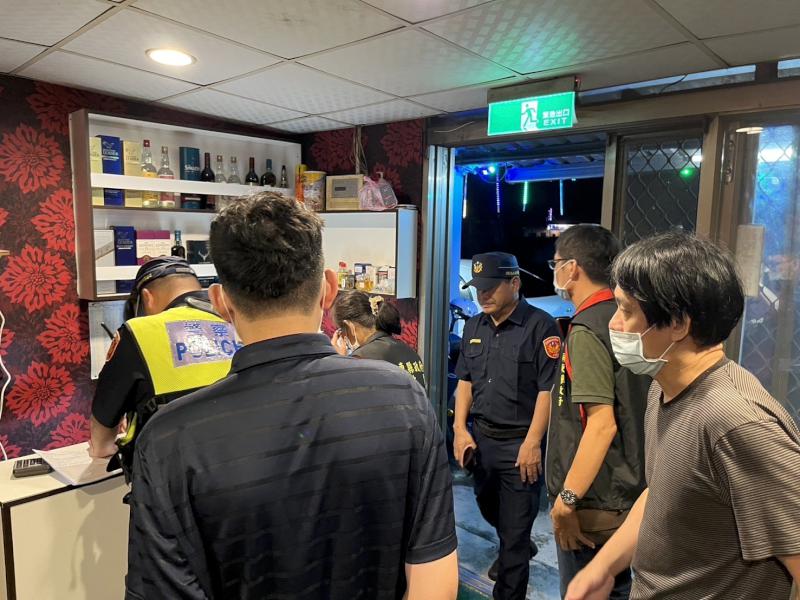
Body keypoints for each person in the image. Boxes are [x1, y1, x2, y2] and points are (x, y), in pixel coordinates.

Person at [124, 193, 458, 600]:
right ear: (329, 289)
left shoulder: (168, 440)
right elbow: (435, 579)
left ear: (220, 303)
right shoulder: (403, 397)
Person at [566, 231, 800, 600]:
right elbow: (659, 496)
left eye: (626, 311)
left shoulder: (736, 422)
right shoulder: (664, 387)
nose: (613, 324)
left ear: (678, 323)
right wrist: (602, 567)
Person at [545, 225, 650, 599]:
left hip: (596, 501)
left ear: (572, 268)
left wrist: (566, 500)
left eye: (556, 263)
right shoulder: (626, 320)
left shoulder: (588, 328)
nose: (555, 270)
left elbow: (601, 424)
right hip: (628, 490)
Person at [453, 251, 561, 600]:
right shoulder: (474, 326)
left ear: (514, 284)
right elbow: (465, 382)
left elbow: (547, 390)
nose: (482, 295)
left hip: (520, 446)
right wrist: (459, 430)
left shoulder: (541, 327)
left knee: (514, 536)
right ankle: (516, 541)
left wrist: (533, 443)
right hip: (482, 441)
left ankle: (513, 561)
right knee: (488, 506)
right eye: (478, 288)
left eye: (490, 287)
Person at [88, 256, 237, 480]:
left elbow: (104, 418)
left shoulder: (139, 331)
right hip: (240, 467)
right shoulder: (237, 323)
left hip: (170, 482)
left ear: (147, 298)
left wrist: (102, 447)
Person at [331, 290, 425, 386]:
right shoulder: (410, 352)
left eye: (341, 331)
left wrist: (340, 361)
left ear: (350, 327)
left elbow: (342, 390)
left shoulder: (360, 359)